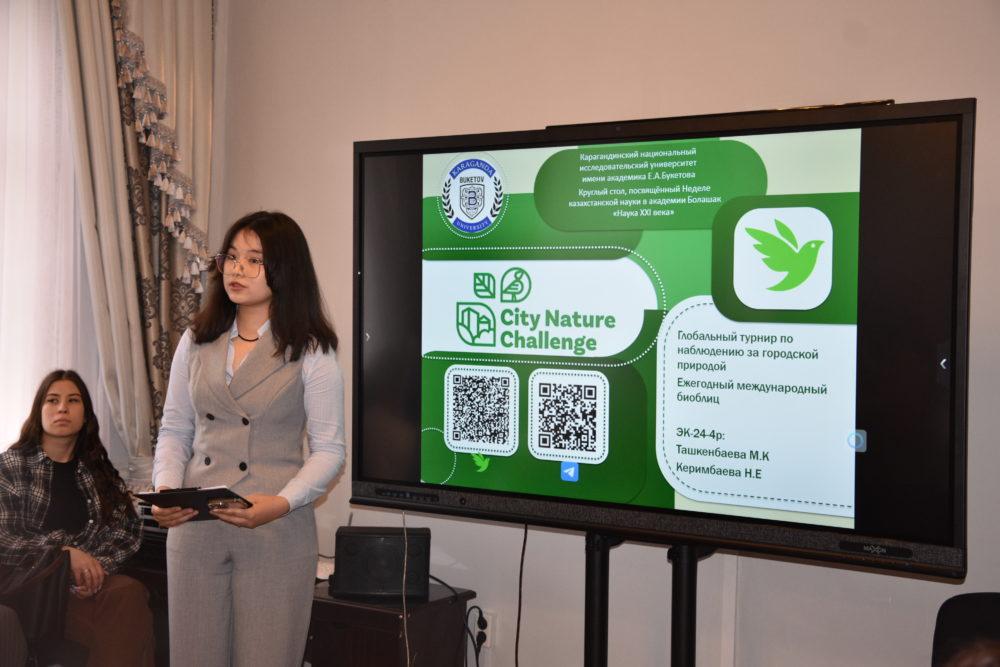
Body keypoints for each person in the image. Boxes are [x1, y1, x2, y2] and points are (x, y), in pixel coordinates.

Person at [151, 210, 346, 666]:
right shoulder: (196, 340)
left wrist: (281, 503)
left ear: (284, 269)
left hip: (275, 530)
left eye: (254, 260)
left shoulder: (311, 350)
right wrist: (166, 490)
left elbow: (329, 451)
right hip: (195, 527)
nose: (237, 270)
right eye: (232, 257)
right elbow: (175, 429)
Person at [0, 369, 154, 666]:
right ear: (39, 412)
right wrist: (64, 555)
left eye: (73, 400)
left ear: (85, 416)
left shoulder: (98, 471)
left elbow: (127, 531)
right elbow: (4, 538)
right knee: (127, 622)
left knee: (127, 593)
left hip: (85, 591)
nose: (62, 408)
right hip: (33, 591)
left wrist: (93, 569)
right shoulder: (12, 467)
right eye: (52, 400)